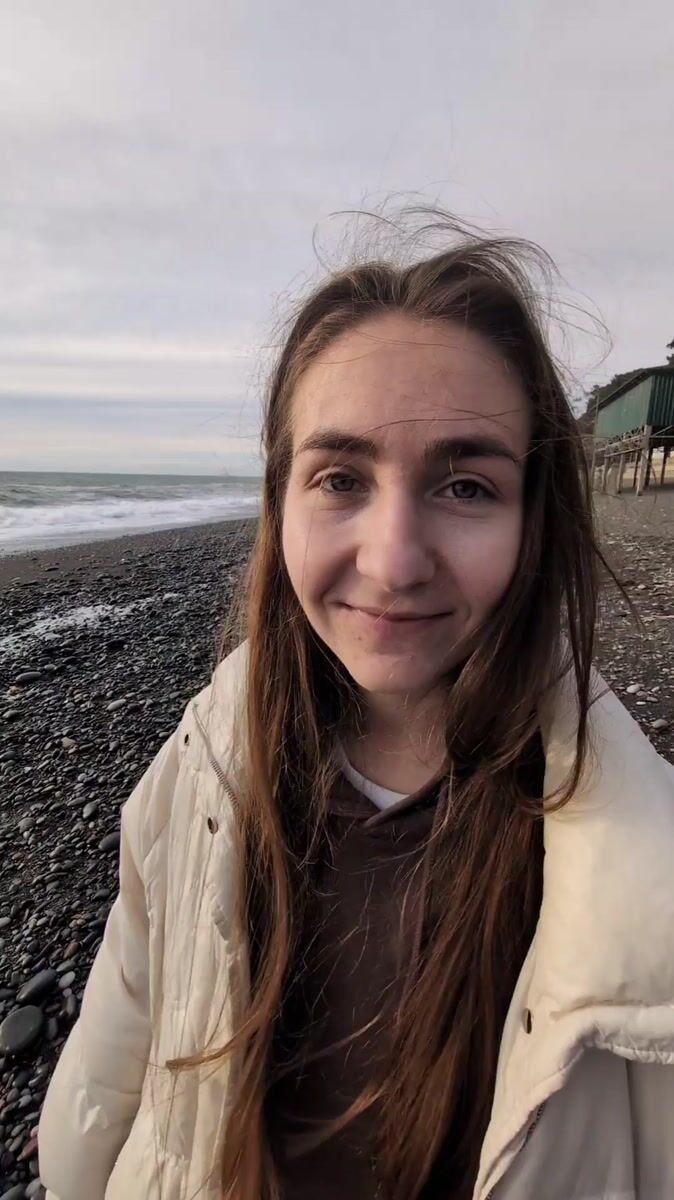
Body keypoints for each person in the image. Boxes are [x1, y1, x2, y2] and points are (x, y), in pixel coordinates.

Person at [38, 213, 674, 1200]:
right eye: (339, 478)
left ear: (532, 517)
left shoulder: (643, 861)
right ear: (279, 501)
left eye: (466, 486)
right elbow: (107, 1078)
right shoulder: (202, 765)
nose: (393, 561)